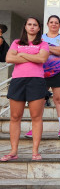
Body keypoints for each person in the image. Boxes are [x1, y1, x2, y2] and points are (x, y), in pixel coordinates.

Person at [1, 17, 49, 161]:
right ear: (25, 27)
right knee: (15, 117)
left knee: (36, 117)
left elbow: (42, 59)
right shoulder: (16, 42)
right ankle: (14, 151)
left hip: (36, 81)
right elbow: (9, 58)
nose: (32, 27)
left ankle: (35, 152)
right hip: (18, 81)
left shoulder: (43, 43)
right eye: (30, 24)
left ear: (39, 28)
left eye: (35, 25)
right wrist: (32, 56)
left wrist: (21, 54)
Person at [24, 15, 60, 139]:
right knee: (39, 100)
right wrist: (55, 49)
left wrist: (45, 48)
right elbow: (33, 51)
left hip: (58, 71)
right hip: (41, 71)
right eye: (51, 22)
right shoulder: (40, 37)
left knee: (59, 99)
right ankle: (34, 129)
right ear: (48, 24)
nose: (54, 24)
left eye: (56, 23)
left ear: (59, 25)